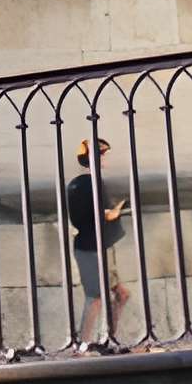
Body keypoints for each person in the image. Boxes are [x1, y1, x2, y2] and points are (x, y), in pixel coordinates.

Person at [66, 135, 130, 342]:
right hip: (93, 249)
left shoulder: (76, 184)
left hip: (95, 246)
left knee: (120, 294)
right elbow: (101, 214)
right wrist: (117, 210)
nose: (105, 158)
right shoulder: (92, 183)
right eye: (102, 155)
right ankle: (84, 343)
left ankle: (108, 338)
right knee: (95, 298)